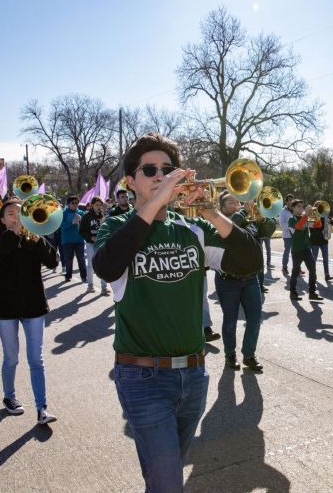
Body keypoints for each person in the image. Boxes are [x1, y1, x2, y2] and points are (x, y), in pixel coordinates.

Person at [92, 133, 262, 491]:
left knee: (163, 479)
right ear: (129, 181)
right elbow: (106, 267)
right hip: (142, 378)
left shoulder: (193, 227)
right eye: (150, 170)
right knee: (169, 484)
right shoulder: (115, 227)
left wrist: (211, 211)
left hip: (194, 375)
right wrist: (154, 205)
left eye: (168, 170)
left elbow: (251, 260)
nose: (161, 176)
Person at [0, 199, 59, 424]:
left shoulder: (34, 239)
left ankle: (42, 408)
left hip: (33, 304)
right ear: (2, 219)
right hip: (5, 306)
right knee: (11, 358)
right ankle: (9, 397)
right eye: (11, 213)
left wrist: (37, 239)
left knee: (36, 359)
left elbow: (53, 262)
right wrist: (12, 235)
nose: (17, 217)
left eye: (20, 213)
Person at [215, 192, 265, 372]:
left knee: (255, 318)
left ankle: (249, 355)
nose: (236, 204)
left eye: (238, 201)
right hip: (228, 280)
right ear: (221, 207)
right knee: (230, 321)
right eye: (231, 202)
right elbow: (233, 225)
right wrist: (244, 211)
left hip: (251, 279)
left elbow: (266, 231)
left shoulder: (249, 220)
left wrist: (264, 216)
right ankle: (230, 354)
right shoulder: (221, 223)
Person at [288, 200, 323, 302]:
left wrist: (315, 214)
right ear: (293, 208)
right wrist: (306, 215)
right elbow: (299, 226)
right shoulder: (291, 219)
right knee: (295, 273)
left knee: (313, 270)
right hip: (297, 250)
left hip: (307, 249)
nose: (301, 209)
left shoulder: (305, 217)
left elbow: (318, 225)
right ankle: (292, 292)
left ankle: (312, 293)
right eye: (298, 207)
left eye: (302, 207)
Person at [79, 196, 109, 295]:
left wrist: (103, 223)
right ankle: (90, 286)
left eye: (100, 205)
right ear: (92, 205)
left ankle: (104, 287)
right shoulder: (86, 216)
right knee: (91, 265)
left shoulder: (103, 215)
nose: (99, 207)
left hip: (101, 244)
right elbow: (81, 231)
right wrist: (90, 237)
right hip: (90, 243)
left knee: (103, 264)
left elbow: (106, 229)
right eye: (97, 205)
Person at [61, 196, 87, 284]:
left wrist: (81, 222)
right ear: (68, 204)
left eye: (77, 203)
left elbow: (85, 226)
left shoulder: (82, 213)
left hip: (79, 240)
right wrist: (72, 222)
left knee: (81, 259)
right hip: (67, 241)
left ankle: (84, 277)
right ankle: (68, 276)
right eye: (73, 203)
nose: (75, 205)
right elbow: (61, 226)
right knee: (69, 259)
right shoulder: (63, 213)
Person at [309, 213, 333, 283]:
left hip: (324, 240)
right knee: (314, 259)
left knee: (326, 258)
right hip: (315, 240)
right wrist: (323, 219)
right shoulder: (312, 216)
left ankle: (327, 275)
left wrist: (332, 221)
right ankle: (313, 274)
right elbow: (315, 227)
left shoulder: (325, 216)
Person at [279, 194, 294, 276]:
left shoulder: (295, 209)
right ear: (286, 201)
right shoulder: (282, 211)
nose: (292, 201)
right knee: (287, 251)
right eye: (290, 200)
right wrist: (292, 226)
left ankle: (297, 268)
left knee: (296, 252)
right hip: (287, 236)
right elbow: (282, 224)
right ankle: (284, 267)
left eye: (292, 200)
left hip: (295, 235)